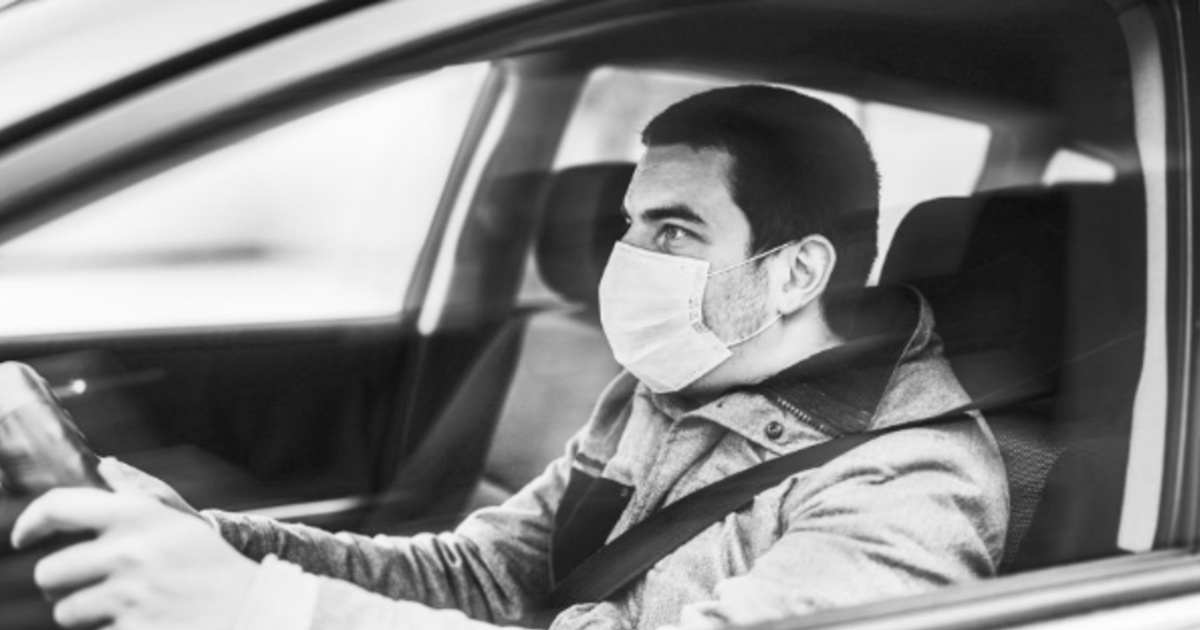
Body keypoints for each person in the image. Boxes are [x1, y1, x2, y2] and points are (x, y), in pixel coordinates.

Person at [11, 85, 1008, 630]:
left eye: (673, 232)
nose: (625, 260)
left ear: (795, 275)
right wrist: (226, 544)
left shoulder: (909, 482)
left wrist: (264, 609)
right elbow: (490, 576)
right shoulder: (664, 389)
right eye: (630, 227)